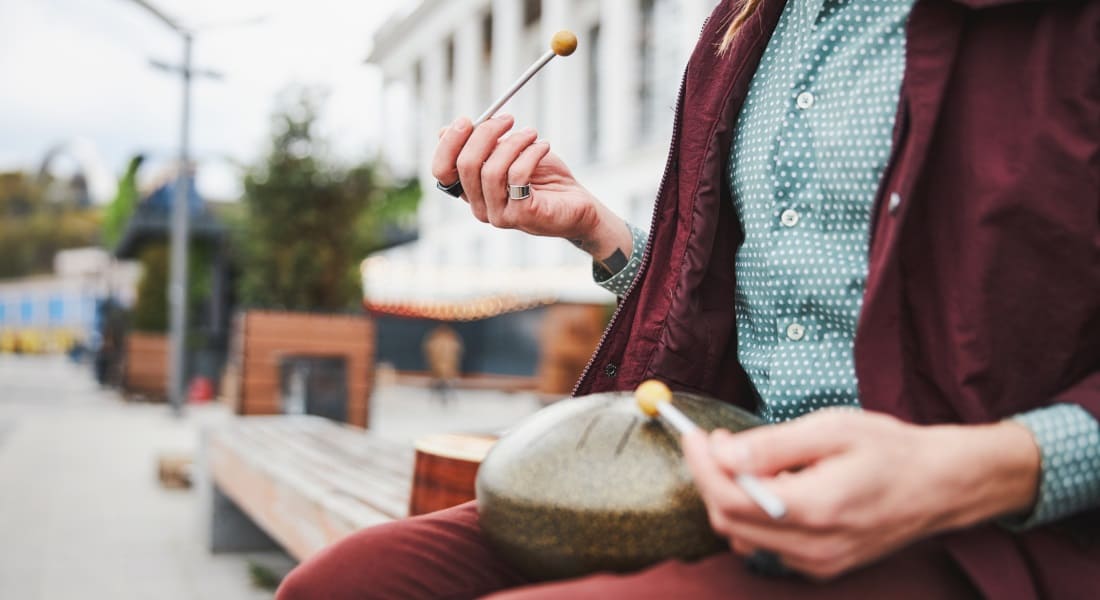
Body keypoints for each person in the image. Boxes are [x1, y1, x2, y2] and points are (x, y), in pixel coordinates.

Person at [278, 0, 1100, 597]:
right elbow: (733, 313)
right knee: (344, 585)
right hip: (728, 485)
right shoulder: (741, 28)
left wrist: (974, 471)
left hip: (973, 534)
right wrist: (599, 231)